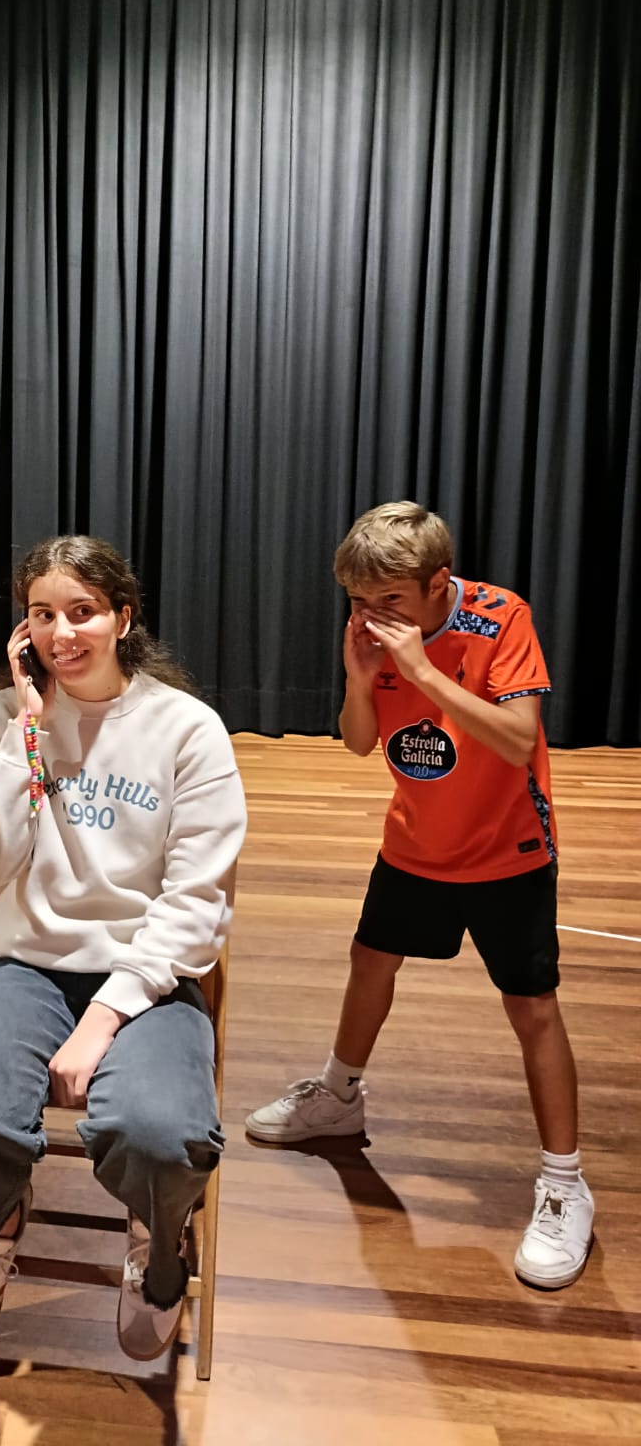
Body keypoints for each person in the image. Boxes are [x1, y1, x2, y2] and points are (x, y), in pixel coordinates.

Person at [0, 535, 247, 1360]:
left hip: (148, 976)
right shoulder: (0, 720)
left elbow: (197, 903)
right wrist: (26, 731)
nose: (61, 633)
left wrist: (103, 1019)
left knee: (161, 1135)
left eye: (83, 611)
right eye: (42, 614)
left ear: (123, 618)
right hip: (20, 963)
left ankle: (155, 1241)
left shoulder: (186, 729)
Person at [245, 502, 593, 1290]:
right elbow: (360, 740)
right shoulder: (374, 634)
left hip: (508, 849)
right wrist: (358, 677)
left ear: (439, 583)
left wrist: (426, 672)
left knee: (532, 1008)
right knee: (370, 960)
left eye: (390, 600)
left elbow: (518, 738)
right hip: (415, 843)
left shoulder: (501, 617)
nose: (372, 615)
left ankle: (565, 1185)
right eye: (358, 601)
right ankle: (339, 1095)